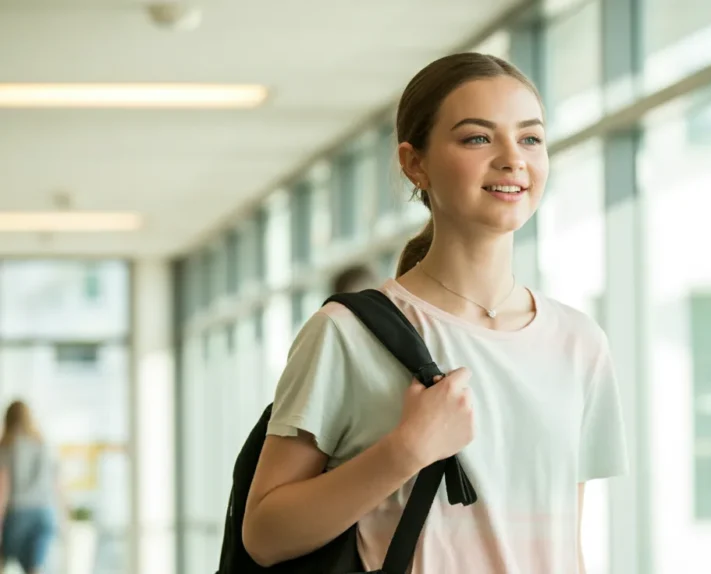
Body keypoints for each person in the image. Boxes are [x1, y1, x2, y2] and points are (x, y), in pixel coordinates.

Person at [242, 52, 629, 573]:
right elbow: (265, 535)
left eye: (531, 138)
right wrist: (405, 451)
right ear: (414, 163)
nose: (513, 158)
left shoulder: (579, 341)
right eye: (477, 138)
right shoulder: (348, 333)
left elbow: (564, 544)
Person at [0, 400, 60, 574]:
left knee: (3, 558)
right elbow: (57, 483)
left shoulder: (7, 445)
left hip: (19, 512)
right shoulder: (43, 443)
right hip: (45, 512)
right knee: (34, 568)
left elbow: (3, 484)